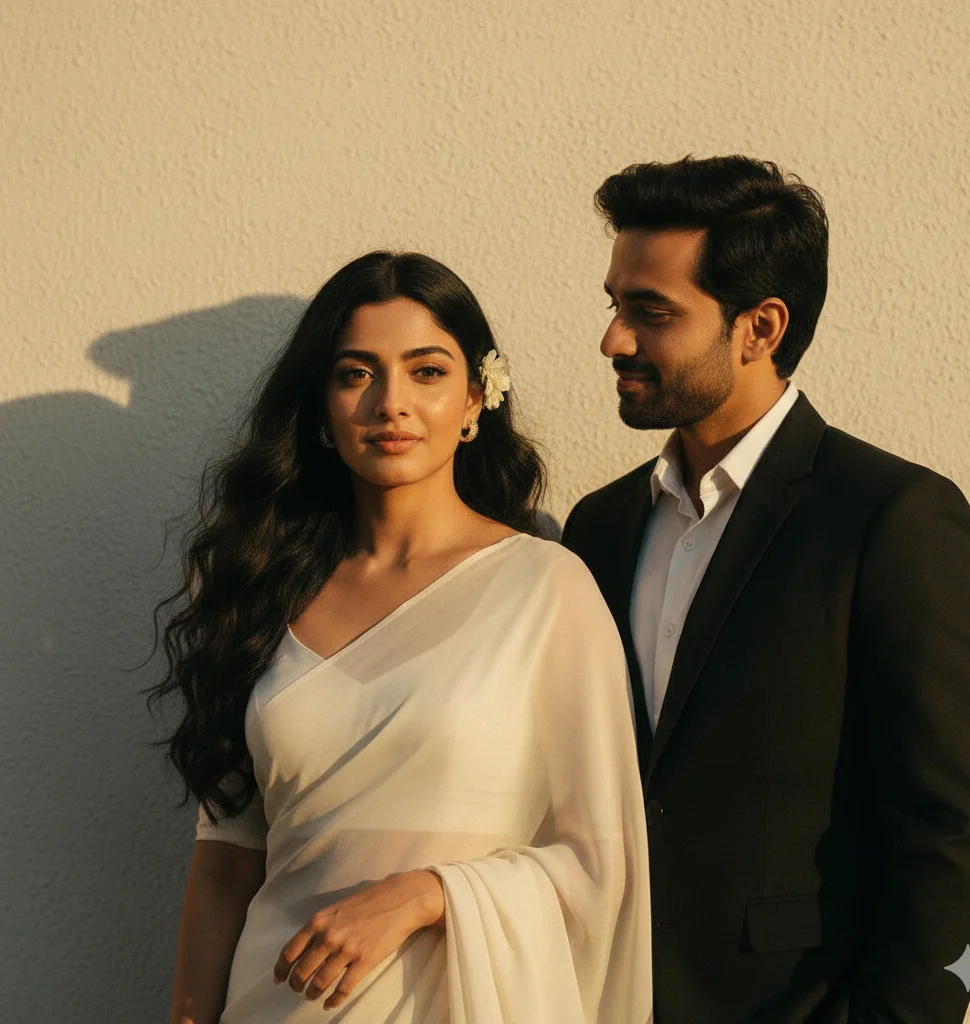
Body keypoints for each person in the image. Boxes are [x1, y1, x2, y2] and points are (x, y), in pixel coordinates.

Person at [560, 155, 970, 1023]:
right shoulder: (599, 527)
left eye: (650, 312)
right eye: (615, 306)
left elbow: (956, 830)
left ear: (760, 327)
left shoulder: (892, 516)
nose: (613, 340)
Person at [153, 251, 652, 1023]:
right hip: (276, 1004)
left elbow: (602, 864)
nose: (391, 403)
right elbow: (226, 860)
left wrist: (427, 894)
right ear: (320, 410)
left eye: (426, 372)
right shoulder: (262, 592)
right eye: (356, 374)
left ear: (475, 400)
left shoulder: (545, 589)